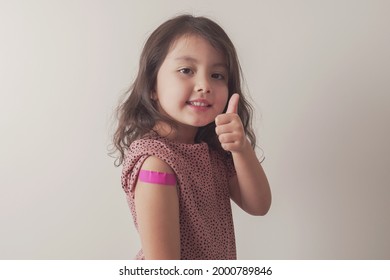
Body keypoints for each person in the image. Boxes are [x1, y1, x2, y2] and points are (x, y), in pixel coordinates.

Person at [112, 14, 271, 260]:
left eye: (217, 75)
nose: (204, 85)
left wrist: (241, 149)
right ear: (152, 86)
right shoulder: (157, 164)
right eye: (186, 70)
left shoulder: (210, 153)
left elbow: (259, 205)